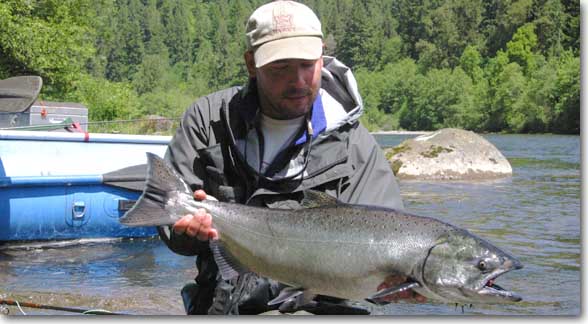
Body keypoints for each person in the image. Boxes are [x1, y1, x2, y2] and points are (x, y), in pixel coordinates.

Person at [158, 0, 424, 315]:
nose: (297, 80)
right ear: (251, 64)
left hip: (322, 309)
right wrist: (184, 230)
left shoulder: (355, 146)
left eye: (306, 65)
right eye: (280, 68)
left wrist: (396, 287)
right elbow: (170, 223)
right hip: (225, 304)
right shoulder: (208, 121)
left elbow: (384, 251)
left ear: (322, 57)